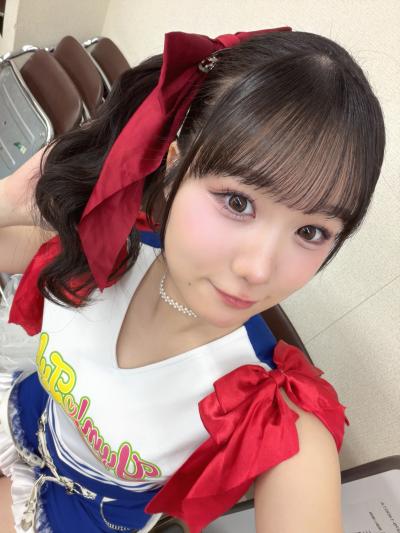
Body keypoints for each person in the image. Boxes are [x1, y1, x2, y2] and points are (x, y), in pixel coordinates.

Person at [0, 28, 385, 533]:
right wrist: (14, 195)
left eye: (311, 232)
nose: (258, 269)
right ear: (176, 163)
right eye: (238, 202)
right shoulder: (108, 248)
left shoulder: (271, 414)